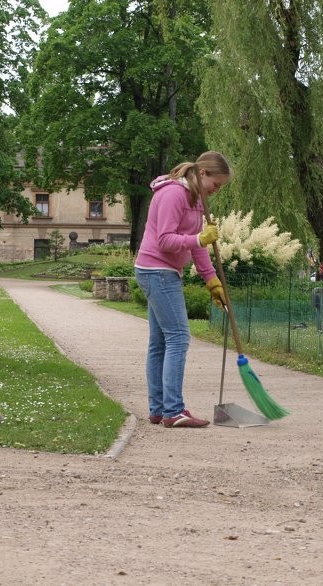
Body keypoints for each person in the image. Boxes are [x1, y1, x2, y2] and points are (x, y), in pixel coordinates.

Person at [134, 151, 232, 428]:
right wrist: (200, 238)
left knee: (160, 343)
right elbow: (165, 240)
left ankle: (159, 409)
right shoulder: (173, 195)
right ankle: (173, 411)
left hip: (162, 271)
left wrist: (212, 281)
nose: (217, 190)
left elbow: (197, 248)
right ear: (203, 174)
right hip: (157, 271)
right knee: (178, 337)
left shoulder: (196, 200)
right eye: (216, 184)